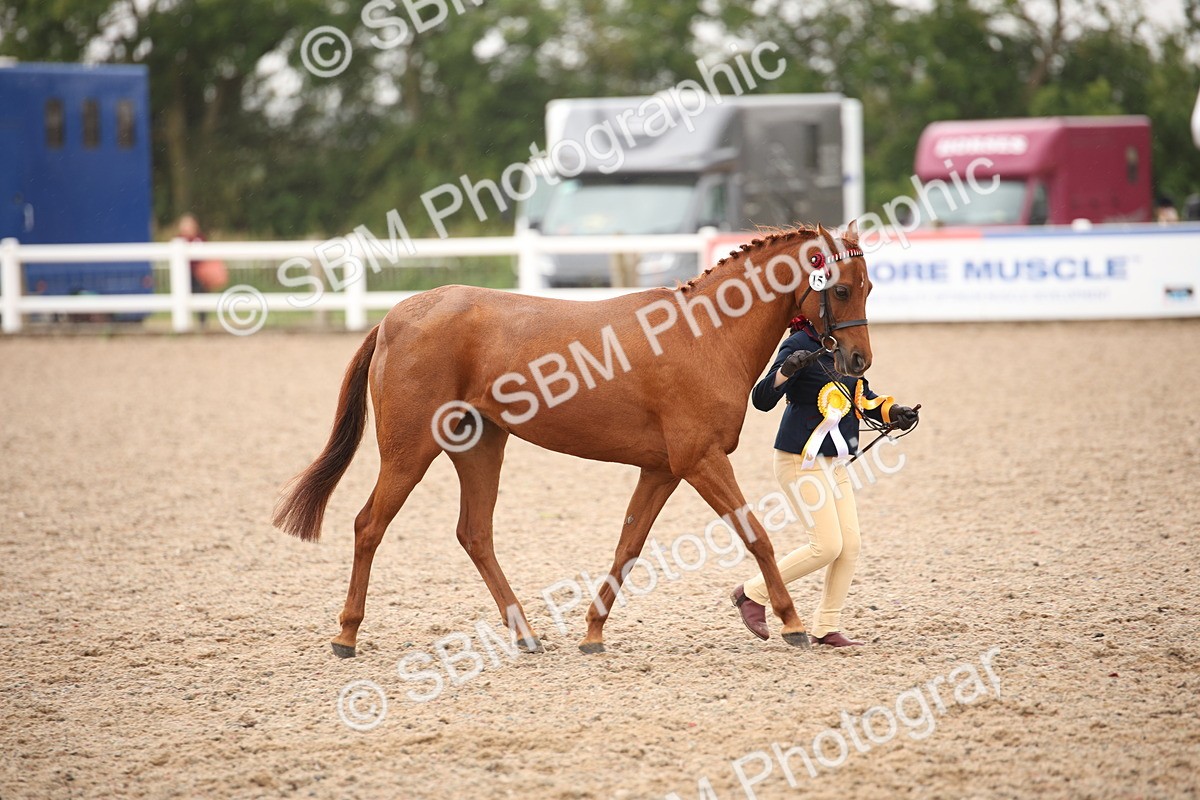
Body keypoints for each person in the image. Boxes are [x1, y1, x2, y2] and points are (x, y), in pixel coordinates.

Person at [730, 316, 918, 647]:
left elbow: (862, 396)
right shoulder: (797, 344)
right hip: (800, 460)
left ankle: (826, 626)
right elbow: (761, 399)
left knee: (850, 546)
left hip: (835, 463)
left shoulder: (845, 346)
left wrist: (894, 413)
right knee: (826, 546)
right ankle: (752, 593)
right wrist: (787, 370)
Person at [178, 213, 208, 326]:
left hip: (198, 273)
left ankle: (202, 321)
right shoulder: (179, 239)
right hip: (184, 274)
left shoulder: (200, 238)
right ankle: (185, 321)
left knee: (200, 294)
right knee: (183, 296)